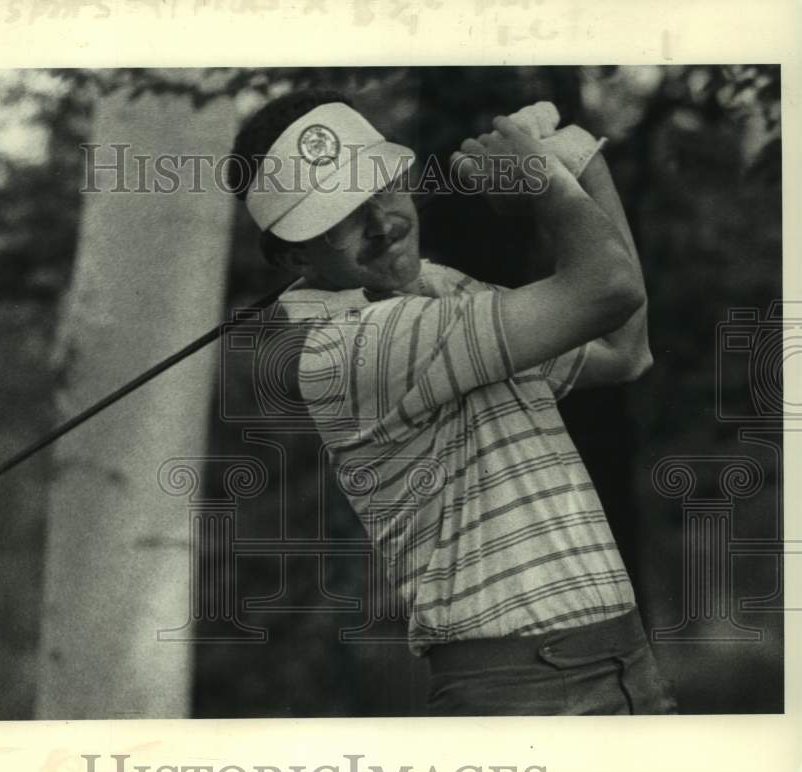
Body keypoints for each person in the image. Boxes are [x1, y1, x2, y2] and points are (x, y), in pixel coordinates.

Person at [228, 88, 678, 716]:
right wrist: (544, 180)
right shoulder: (354, 346)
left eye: (382, 186)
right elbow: (607, 288)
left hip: (625, 660)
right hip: (525, 689)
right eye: (341, 215)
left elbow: (623, 351)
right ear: (291, 255)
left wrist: (582, 163)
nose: (384, 221)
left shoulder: (440, 288)